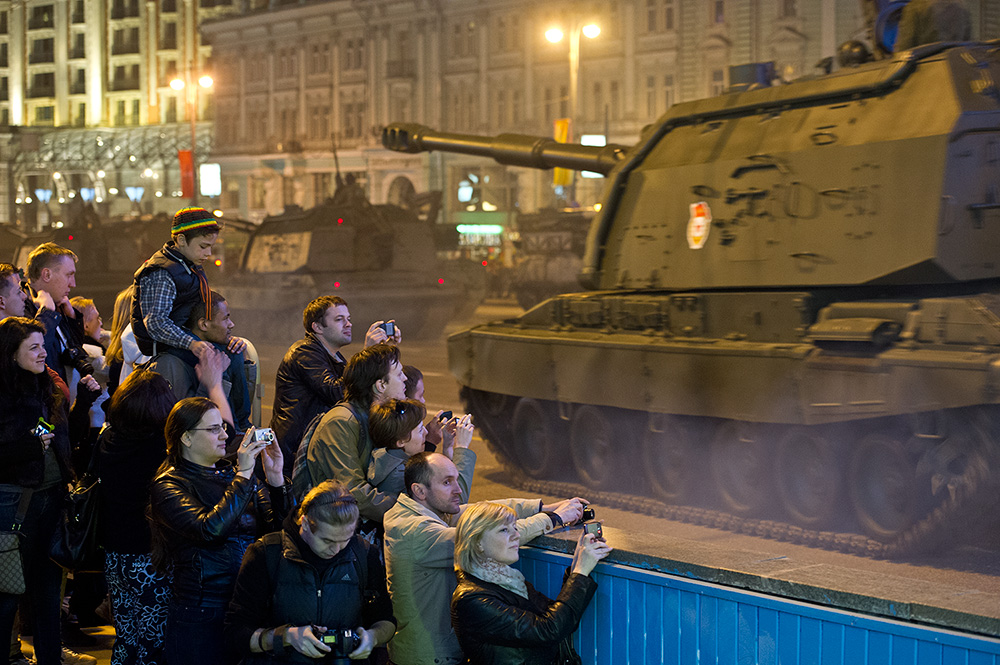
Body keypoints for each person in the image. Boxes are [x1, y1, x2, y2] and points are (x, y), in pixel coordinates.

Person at [383, 452, 586, 665]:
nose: (458, 490)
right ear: (420, 491)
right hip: (426, 659)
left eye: (456, 478)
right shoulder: (415, 531)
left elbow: (485, 511)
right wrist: (554, 519)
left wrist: (543, 507)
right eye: (446, 482)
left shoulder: (428, 511)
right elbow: (487, 533)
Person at [149, 397, 290, 665]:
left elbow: (280, 532)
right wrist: (244, 475)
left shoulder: (237, 476)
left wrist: (276, 480)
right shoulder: (169, 485)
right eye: (214, 429)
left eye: (223, 427)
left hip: (249, 605)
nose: (225, 435)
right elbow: (210, 529)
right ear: (186, 438)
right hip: (202, 612)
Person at [0, 317, 98, 665]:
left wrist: (84, 404)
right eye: (35, 348)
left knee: (46, 592)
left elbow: (64, 438)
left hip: (53, 499)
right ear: (11, 353)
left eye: (43, 345)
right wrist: (28, 448)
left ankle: (50, 659)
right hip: (13, 503)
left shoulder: (47, 387)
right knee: (7, 592)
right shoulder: (5, 395)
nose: (44, 354)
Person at [225, 480, 397, 663]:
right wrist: (286, 637)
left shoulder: (363, 553)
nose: (336, 549)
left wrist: (372, 638)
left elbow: (386, 620)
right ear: (305, 523)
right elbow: (236, 632)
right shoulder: (266, 554)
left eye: (345, 539)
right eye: (328, 541)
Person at [451, 502, 612, 665]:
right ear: (477, 542)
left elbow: (553, 615)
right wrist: (580, 572)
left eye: (515, 527)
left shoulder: (507, 579)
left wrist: (577, 563)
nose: (516, 535)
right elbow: (548, 630)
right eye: (504, 530)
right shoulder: (472, 599)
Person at [270, 295, 400, 475]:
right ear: (317, 327)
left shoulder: (336, 359)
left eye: (348, 319)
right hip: (296, 458)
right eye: (339, 319)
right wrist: (366, 354)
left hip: (319, 449)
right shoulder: (304, 351)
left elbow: (360, 393)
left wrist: (384, 355)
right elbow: (338, 393)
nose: (349, 324)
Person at [291, 344, 406, 526]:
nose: (405, 379)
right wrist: (409, 510)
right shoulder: (342, 422)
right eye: (399, 375)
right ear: (380, 385)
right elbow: (352, 492)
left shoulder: (372, 417)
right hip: (330, 527)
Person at [146, 290, 252, 432]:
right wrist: (214, 380)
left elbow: (241, 410)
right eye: (225, 318)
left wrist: (243, 359)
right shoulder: (171, 364)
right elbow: (188, 424)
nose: (231, 324)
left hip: (228, 439)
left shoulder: (223, 353)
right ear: (203, 324)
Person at [131, 206, 221, 358]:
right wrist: (192, 344)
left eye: (211, 247)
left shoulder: (190, 265)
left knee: (237, 351)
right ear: (181, 240)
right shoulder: (162, 273)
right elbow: (156, 322)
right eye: (203, 246)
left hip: (188, 341)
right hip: (167, 350)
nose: (209, 253)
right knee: (225, 360)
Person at [368, 400, 472, 496]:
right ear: (400, 442)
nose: (426, 432)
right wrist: (462, 447)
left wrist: (448, 446)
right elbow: (454, 499)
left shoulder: (385, 460)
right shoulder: (400, 477)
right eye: (420, 430)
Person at [23, 243, 90, 383]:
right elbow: (36, 354)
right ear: (47, 274)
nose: (73, 283)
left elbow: (74, 348)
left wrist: (71, 316)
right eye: (69, 275)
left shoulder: (57, 306)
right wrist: (46, 313)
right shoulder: (23, 311)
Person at [895, 0, 971, 51]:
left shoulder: (916, 6)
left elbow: (904, 47)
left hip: (926, 70)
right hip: (954, 67)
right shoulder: (962, 6)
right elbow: (968, 43)